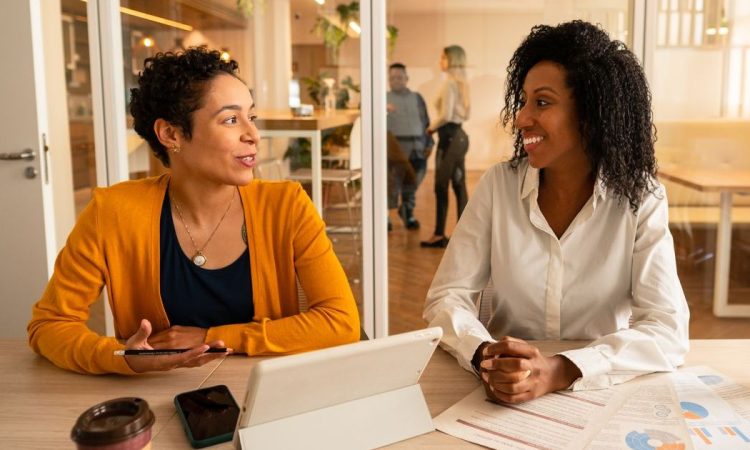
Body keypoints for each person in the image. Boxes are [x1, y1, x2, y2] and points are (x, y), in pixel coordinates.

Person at [27, 47, 360, 375]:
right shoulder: (113, 212)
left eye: (251, 117)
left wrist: (213, 337)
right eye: (231, 119)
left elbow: (341, 321)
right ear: (171, 134)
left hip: (266, 396)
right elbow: (49, 325)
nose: (253, 135)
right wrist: (121, 357)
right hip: (157, 396)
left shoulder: (286, 205)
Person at [423, 21, 689, 403]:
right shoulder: (499, 186)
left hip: (599, 387)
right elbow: (446, 297)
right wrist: (485, 355)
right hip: (502, 388)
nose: (521, 118)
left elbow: (668, 329)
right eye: (524, 100)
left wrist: (561, 369)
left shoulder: (641, 199)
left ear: (592, 114)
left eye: (542, 102)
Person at [421, 45, 471, 248]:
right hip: (457, 137)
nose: (440, 61)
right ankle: (461, 236)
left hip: (450, 139)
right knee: (458, 186)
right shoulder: (462, 84)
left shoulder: (451, 84)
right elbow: (465, 115)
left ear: (451, 59)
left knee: (441, 185)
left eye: (443, 57)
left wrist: (430, 129)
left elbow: (446, 116)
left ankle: (440, 235)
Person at [386, 63, 434, 230]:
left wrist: (430, 143)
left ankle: (407, 211)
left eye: (399, 77)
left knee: (413, 181)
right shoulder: (382, 99)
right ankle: (385, 218)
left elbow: (426, 122)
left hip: (417, 147)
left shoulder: (417, 97)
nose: (396, 80)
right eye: (392, 78)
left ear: (407, 79)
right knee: (391, 185)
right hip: (394, 148)